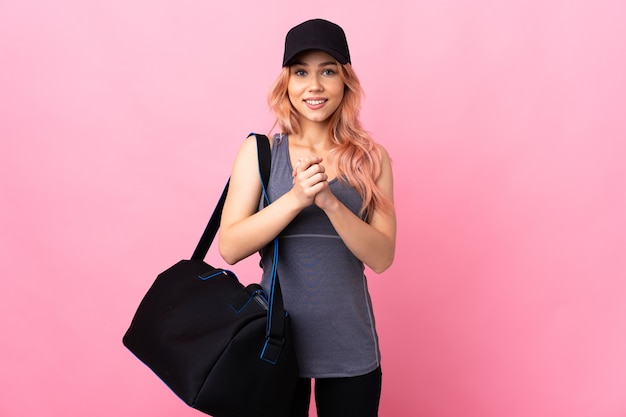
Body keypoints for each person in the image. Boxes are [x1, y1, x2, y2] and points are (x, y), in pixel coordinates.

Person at [218, 18, 396, 417]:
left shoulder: (372, 159)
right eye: (301, 72)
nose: (313, 86)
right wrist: (297, 198)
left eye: (327, 71)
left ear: (345, 82)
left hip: (351, 348)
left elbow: (382, 258)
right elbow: (229, 248)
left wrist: (331, 203)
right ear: (287, 83)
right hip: (274, 343)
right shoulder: (260, 151)